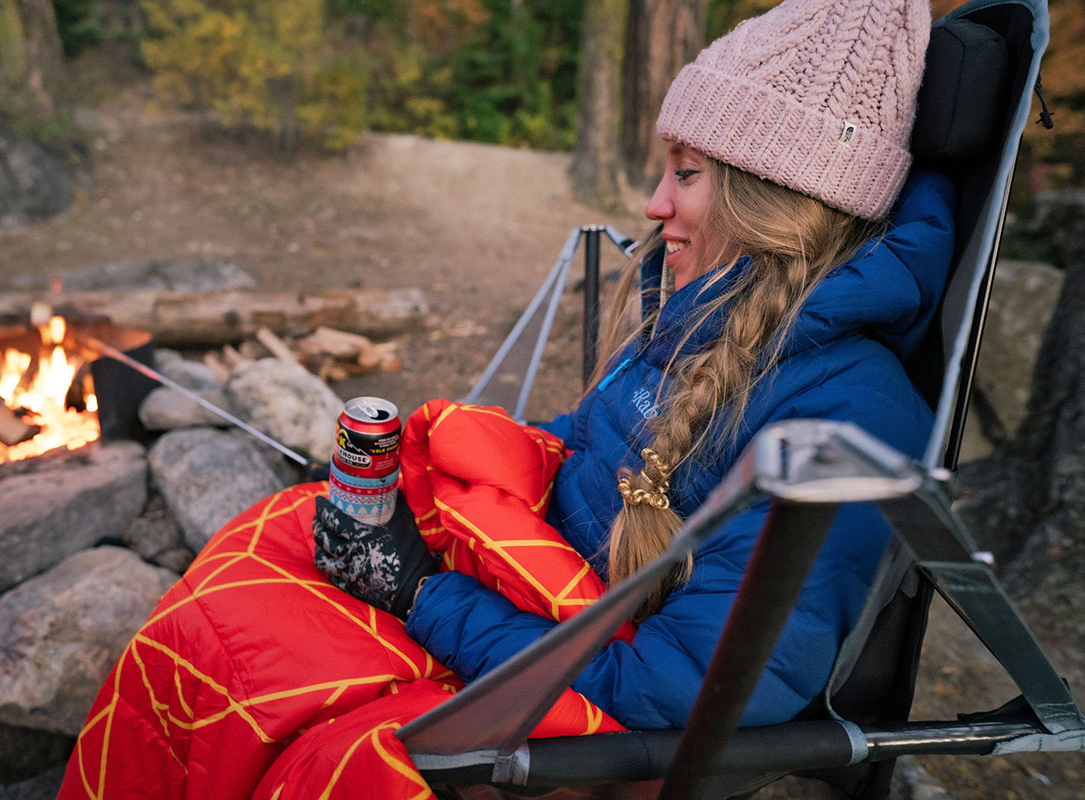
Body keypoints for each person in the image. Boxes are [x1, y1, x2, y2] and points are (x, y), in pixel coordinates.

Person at [58, 0, 954, 797]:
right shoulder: (701, 319)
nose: (653, 203)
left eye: (685, 173)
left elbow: (669, 691)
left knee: (316, 741)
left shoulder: (845, 418)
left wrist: (420, 593)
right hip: (527, 613)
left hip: (588, 719)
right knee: (242, 583)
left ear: (772, 198)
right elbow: (593, 450)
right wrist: (449, 466)